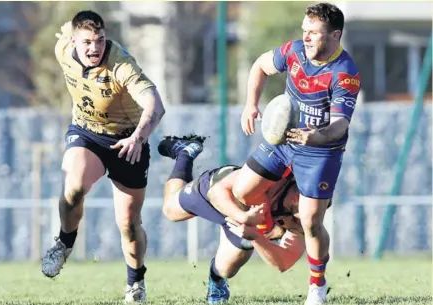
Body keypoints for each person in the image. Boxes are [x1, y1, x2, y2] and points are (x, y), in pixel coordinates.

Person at [236, 3, 360, 305]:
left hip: (321, 152)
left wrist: (314, 136)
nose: (306, 38)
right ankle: (275, 227)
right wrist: (250, 104)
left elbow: (340, 125)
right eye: (304, 31)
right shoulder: (294, 51)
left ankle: (317, 286)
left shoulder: (345, 73)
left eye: (314, 33)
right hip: (283, 140)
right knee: (243, 191)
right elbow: (260, 66)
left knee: (311, 221)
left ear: (334, 35)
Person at [41, 10, 165, 303]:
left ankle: (135, 283)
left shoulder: (121, 65)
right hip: (86, 133)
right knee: (73, 186)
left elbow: (156, 106)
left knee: (128, 224)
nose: (94, 48)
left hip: (128, 141)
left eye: (99, 40)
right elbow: (64, 28)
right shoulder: (63, 48)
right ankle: (64, 242)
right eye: (86, 42)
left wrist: (138, 137)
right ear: (73, 41)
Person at [158, 135, 319, 304]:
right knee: (170, 211)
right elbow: (216, 193)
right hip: (222, 192)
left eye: (305, 204)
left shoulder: (305, 221)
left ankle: (217, 280)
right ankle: (186, 152)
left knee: (229, 266)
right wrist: (242, 216)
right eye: (302, 194)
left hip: (244, 223)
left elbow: (283, 262)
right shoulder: (278, 175)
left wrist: (255, 237)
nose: (298, 199)